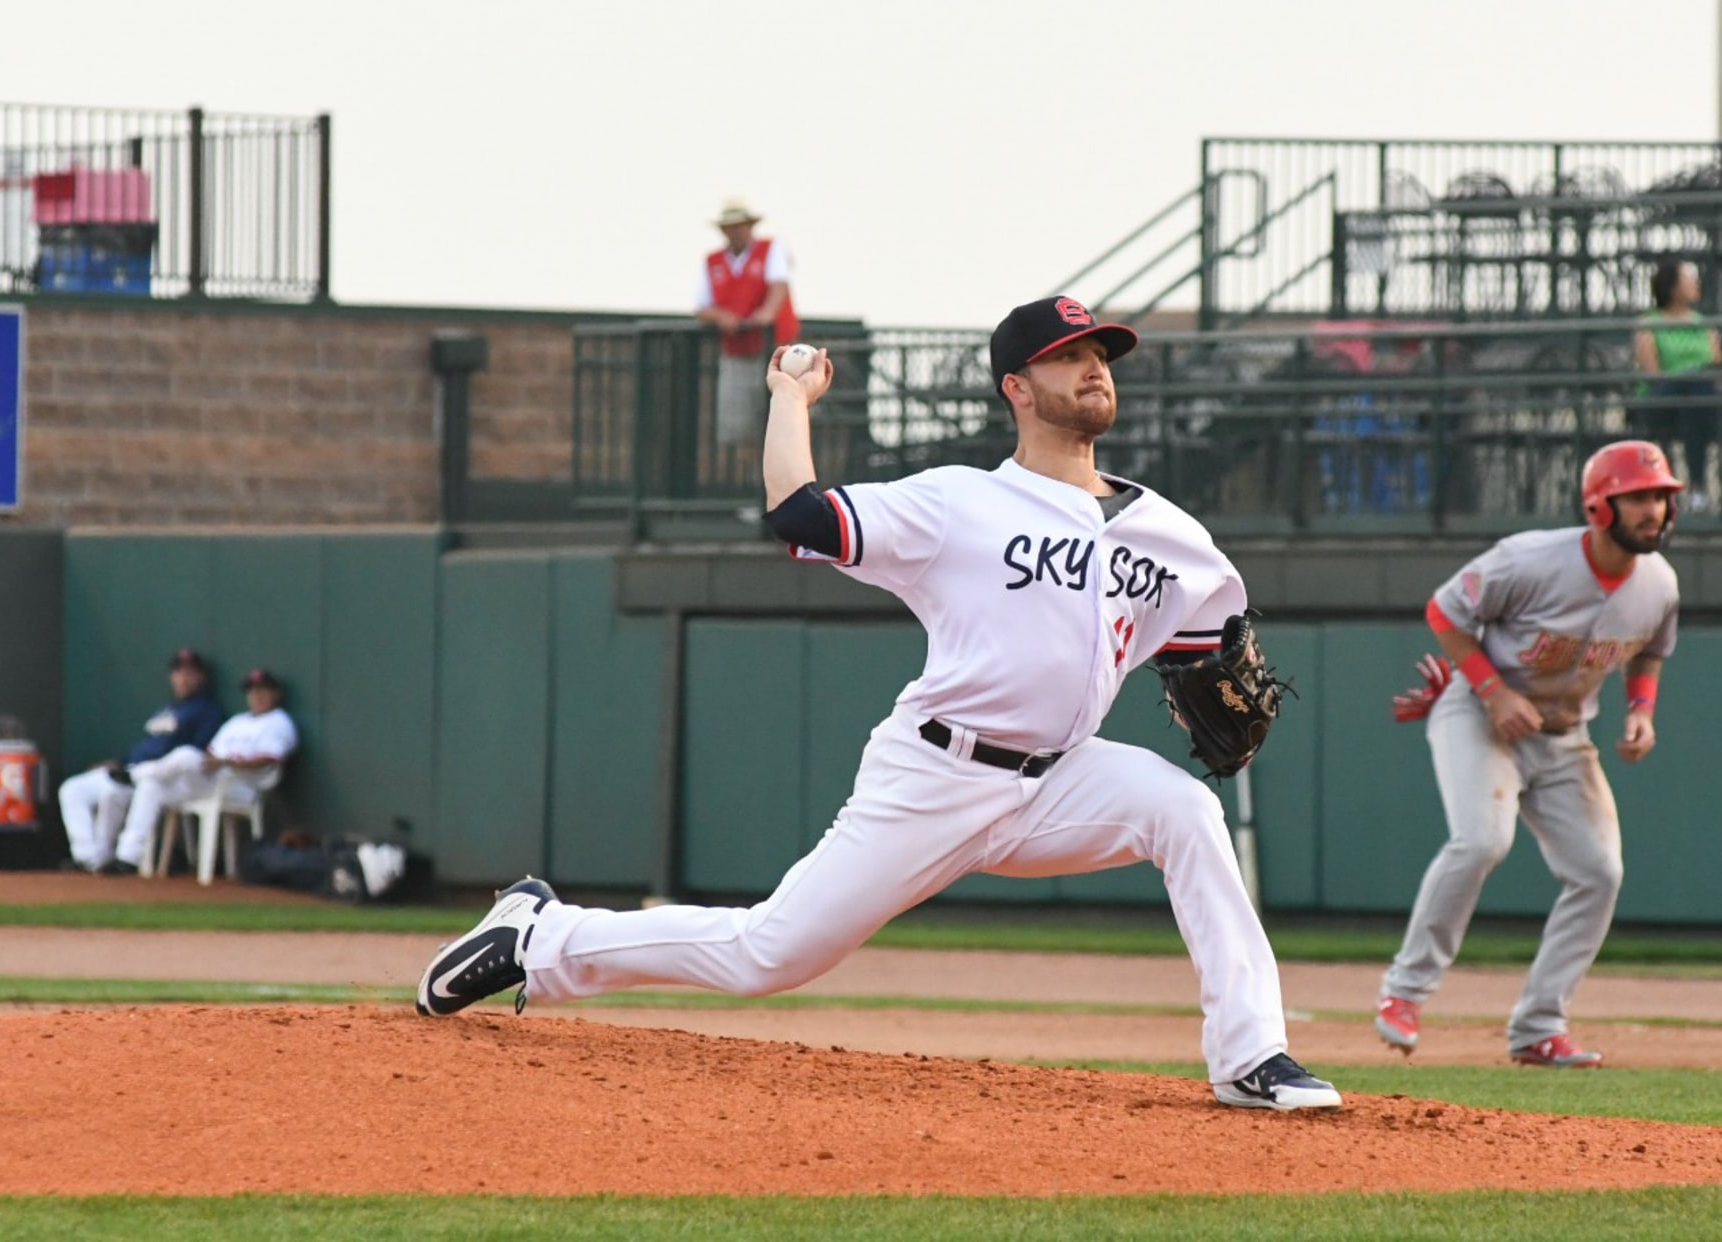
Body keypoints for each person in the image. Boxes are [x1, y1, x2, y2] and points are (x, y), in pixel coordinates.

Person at [419, 295, 1344, 1112]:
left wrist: (1218, 686)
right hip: (938, 772)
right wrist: (790, 399)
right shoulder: (958, 504)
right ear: (1017, 388)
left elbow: (1204, 650)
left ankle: (1249, 1055)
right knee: (769, 954)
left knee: (1186, 810)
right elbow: (800, 516)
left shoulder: (1169, 534)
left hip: (1061, 780)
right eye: (1068, 356)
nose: (1093, 367)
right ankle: (541, 936)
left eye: (1100, 353)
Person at [1375, 440, 1682, 1068]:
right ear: (1599, 507)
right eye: (1637, 497)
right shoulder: (1531, 559)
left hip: (1565, 735)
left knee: (1599, 872)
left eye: (1661, 496)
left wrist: (1642, 710)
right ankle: (1404, 992)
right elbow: (1445, 610)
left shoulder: (1659, 584)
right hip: (1480, 715)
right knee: (1482, 840)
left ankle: (1540, 1027)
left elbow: (1650, 649)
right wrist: (1493, 692)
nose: (1653, 509)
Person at [101, 667, 298, 875]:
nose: (257, 696)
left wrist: (227, 761)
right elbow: (210, 753)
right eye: (252, 691)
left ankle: (134, 774)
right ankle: (128, 858)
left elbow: (271, 758)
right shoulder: (238, 721)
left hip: (242, 786)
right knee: (151, 787)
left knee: (186, 754)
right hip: (213, 780)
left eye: (263, 690)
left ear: (276, 694)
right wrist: (215, 761)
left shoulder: (279, 721)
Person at [57, 647, 227, 873]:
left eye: (190, 673)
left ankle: (126, 857)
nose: (184, 678)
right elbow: (145, 748)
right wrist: (119, 762)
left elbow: (194, 755)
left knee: (154, 776)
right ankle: (87, 858)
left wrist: (141, 770)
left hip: (165, 777)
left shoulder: (208, 710)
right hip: (128, 769)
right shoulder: (165, 710)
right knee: (72, 789)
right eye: (179, 672)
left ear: (201, 677)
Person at [694, 198, 799, 462]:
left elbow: (779, 286)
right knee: (738, 426)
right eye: (730, 226)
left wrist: (765, 315)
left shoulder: (771, 249)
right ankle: (746, 478)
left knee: (780, 421)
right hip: (736, 354)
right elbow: (702, 308)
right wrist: (722, 318)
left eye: (740, 225)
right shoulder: (713, 261)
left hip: (775, 352)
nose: (736, 231)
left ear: (750, 226)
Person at [1631, 259, 1722, 512]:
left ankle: (1696, 489)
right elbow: (1653, 374)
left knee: (1694, 403)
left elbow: (1717, 366)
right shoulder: (1649, 324)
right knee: (1690, 387)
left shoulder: (1702, 324)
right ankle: (1696, 487)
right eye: (1689, 280)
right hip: (1662, 399)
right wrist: (1687, 377)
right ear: (1672, 287)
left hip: (1699, 403)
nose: (1696, 284)